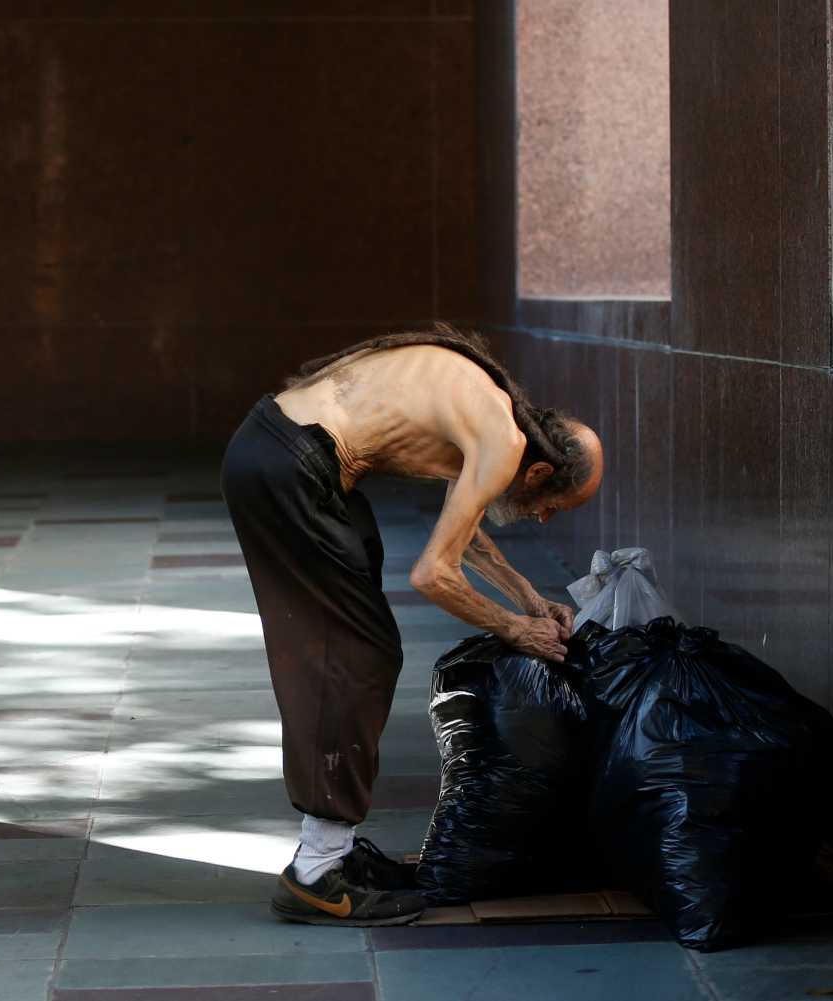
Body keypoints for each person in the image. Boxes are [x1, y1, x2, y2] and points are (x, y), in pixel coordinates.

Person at [220, 324, 604, 927]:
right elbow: (433, 573)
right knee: (353, 657)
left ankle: (334, 853)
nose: (547, 517)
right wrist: (515, 629)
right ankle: (317, 872)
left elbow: (465, 531)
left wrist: (528, 596)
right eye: (554, 505)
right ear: (536, 473)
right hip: (290, 465)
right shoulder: (501, 440)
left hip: (285, 453)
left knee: (357, 646)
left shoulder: (493, 414)